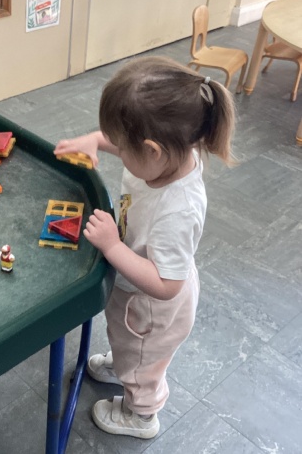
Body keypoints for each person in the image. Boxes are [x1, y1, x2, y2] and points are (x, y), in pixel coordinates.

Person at [54, 56, 235, 439]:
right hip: (138, 290)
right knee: (128, 346)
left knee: (143, 366)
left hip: (153, 307)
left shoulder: (179, 209)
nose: (116, 149)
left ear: (152, 151)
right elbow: (126, 142)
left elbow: (167, 285)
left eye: (120, 146)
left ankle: (141, 414)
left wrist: (112, 246)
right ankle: (125, 364)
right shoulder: (170, 154)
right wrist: (95, 140)